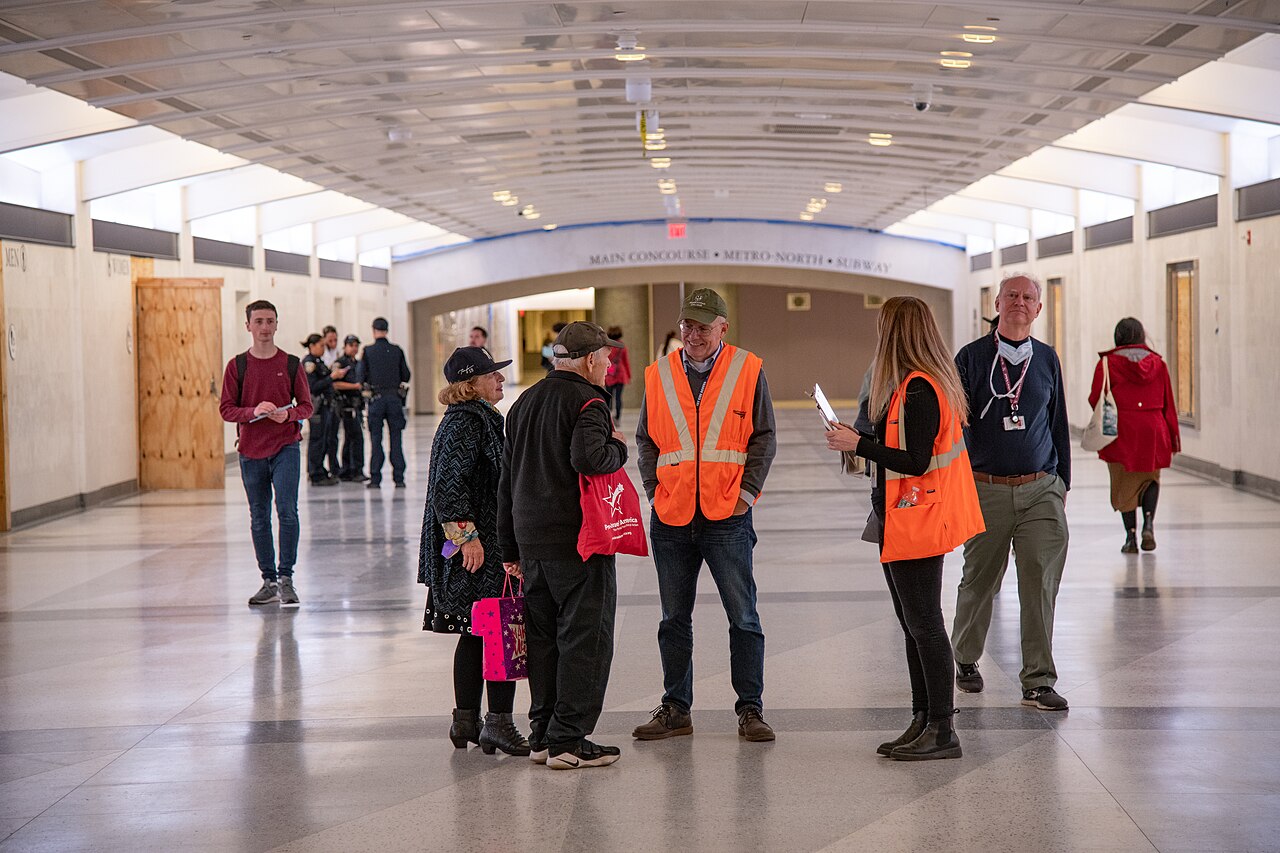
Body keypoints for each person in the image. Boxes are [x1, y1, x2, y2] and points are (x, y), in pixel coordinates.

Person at [824, 297, 984, 760]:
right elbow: (901, 444)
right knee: (912, 624)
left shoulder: (921, 389)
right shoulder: (906, 386)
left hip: (918, 519)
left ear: (895, 330)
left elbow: (914, 461)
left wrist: (859, 444)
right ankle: (922, 719)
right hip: (899, 518)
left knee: (925, 625)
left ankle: (942, 729)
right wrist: (858, 439)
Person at [633, 288, 779, 743]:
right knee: (673, 618)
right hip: (672, 515)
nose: (692, 334)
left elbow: (763, 437)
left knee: (743, 616)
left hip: (727, 516)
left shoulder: (747, 368)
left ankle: (750, 709)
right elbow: (645, 439)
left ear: (722, 328)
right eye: (687, 325)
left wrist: (746, 495)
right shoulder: (658, 374)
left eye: (702, 326)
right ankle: (676, 708)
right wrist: (655, 491)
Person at [498, 321, 628, 770]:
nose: (610, 365)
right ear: (589, 360)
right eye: (606, 358)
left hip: (532, 543)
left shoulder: (523, 402)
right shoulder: (588, 401)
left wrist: (509, 548)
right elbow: (589, 458)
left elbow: (506, 480)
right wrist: (618, 449)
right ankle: (568, 740)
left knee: (544, 640)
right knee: (585, 639)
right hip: (579, 543)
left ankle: (541, 735)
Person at [951, 273, 1072, 711]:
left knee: (1040, 581)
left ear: (1039, 309)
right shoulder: (972, 357)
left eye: (1029, 297)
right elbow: (954, 429)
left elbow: (1058, 423)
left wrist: (1061, 485)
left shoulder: (1046, 359)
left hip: (1040, 488)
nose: (1020, 302)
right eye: (1012, 296)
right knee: (980, 580)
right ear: (997, 304)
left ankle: (1038, 681)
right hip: (986, 489)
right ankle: (964, 657)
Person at [419, 346, 529, 756]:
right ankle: (497, 724)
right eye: (493, 375)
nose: (500, 380)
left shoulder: (476, 418)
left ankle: (465, 721)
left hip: (477, 544)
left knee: (477, 631)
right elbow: (450, 486)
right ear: (471, 383)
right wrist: (469, 539)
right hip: (477, 549)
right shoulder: (468, 422)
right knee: (499, 628)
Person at [219, 300, 314, 607]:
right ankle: (268, 580)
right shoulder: (237, 366)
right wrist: (253, 411)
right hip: (250, 451)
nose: (264, 327)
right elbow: (227, 409)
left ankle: (286, 578)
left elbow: (307, 406)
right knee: (259, 517)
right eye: (258, 321)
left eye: (269, 321)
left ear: (276, 324)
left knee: (287, 511)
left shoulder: (291, 363)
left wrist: (286, 416)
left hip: (285, 446)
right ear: (248, 325)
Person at [1088, 318, 1180, 553]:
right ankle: (1148, 524)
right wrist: (1172, 436)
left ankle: (1130, 538)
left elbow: (1095, 397)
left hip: (1122, 429)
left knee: (1123, 482)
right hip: (1153, 427)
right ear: (1141, 336)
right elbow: (1168, 401)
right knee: (1150, 478)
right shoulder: (1158, 363)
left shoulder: (1107, 363)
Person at [359, 317, 411, 489]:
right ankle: (399, 478)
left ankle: (375, 478)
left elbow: (360, 377)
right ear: (387, 330)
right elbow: (406, 375)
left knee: (376, 439)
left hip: (376, 400)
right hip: (394, 399)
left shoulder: (367, 351)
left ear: (373, 330)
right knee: (396, 439)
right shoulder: (396, 350)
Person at [301, 334, 339, 487]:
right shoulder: (309, 363)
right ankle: (315, 473)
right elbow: (313, 386)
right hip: (317, 407)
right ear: (312, 346)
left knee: (324, 439)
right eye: (321, 345)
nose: (324, 349)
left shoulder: (318, 362)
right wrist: (331, 378)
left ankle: (320, 470)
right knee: (317, 440)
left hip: (325, 406)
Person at [333, 334, 366, 482]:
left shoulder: (358, 363)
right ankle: (353, 469)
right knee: (355, 437)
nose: (354, 348)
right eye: (351, 345)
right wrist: (355, 386)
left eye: (356, 345)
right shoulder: (340, 363)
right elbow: (335, 383)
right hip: (346, 405)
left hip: (356, 404)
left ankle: (349, 469)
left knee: (351, 437)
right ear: (345, 346)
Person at [604, 325, 632, 420]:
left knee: (608, 396)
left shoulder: (607, 346)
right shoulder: (622, 346)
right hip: (621, 374)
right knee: (618, 397)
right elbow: (626, 362)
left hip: (609, 374)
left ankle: (608, 416)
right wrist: (628, 376)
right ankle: (618, 417)